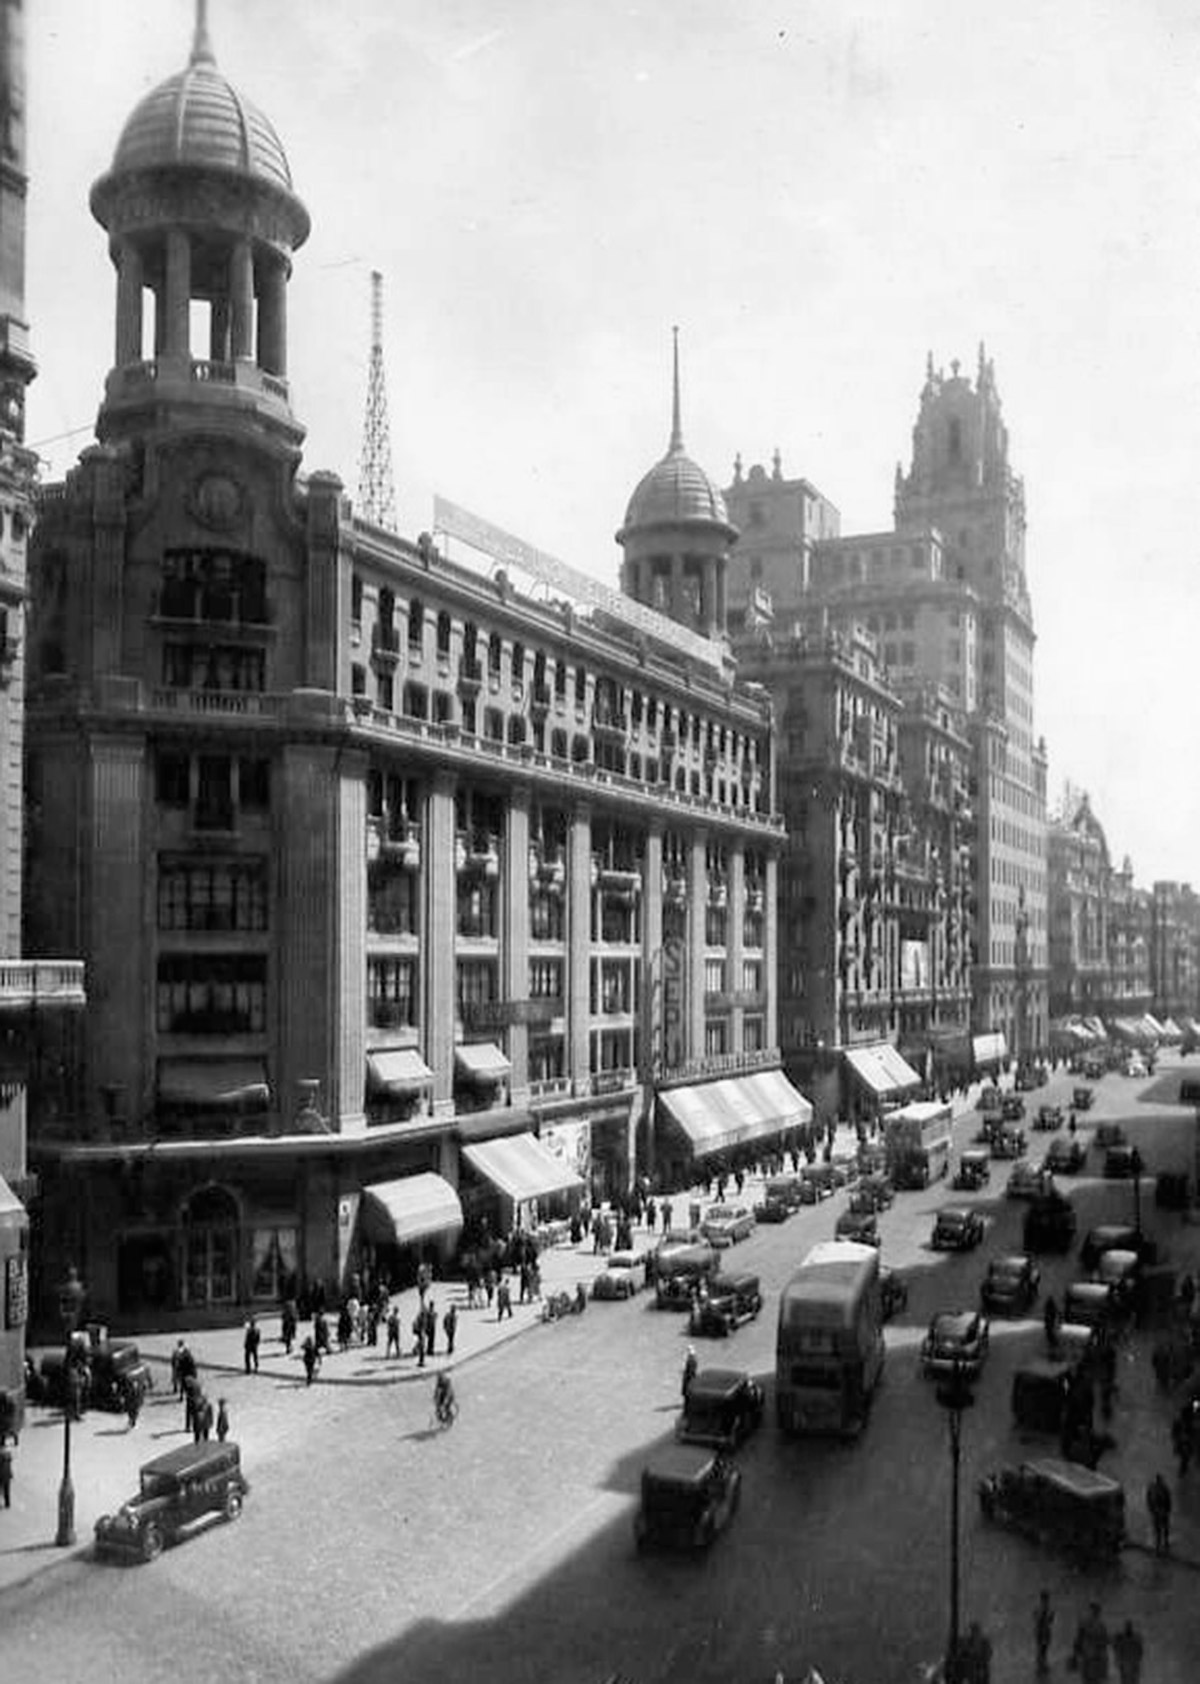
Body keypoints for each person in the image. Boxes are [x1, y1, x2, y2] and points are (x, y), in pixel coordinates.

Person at [1071, 1602, 1110, 1684]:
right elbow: (1105, 1643)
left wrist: (1074, 1655)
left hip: (1090, 1657)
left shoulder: (1088, 1623)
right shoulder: (1100, 1625)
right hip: (1093, 1658)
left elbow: (1078, 1639)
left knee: (1088, 1680)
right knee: (1092, 1680)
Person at [1111, 1619, 1143, 1684]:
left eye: (1128, 1627)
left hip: (1129, 1665)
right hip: (1128, 1665)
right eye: (1127, 1627)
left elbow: (1140, 1652)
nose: (1128, 1629)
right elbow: (1140, 1652)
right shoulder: (1125, 1640)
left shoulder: (1133, 1639)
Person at [1147, 1471, 1172, 1552]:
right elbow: (1168, 1500)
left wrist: (1151, 1509)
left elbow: (1148, 1499)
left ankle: (1162, 1544)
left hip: (1159, 1512)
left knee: (1161, 1529)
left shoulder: (1154, 1487)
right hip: (1159, 1512)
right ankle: (1161, 1545)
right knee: (1161, 1529)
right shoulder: (1162, 1488)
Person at [1034, 1589, 1054, 1676]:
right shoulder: (1043, 1608)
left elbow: (1034, 1616)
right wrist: (1050, 1616)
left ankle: (1041, 1665)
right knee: (1042, 1648)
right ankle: (1041, 1666)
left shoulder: (1040, 1607)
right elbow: (1044, 1620)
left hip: (1041, 1631)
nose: (1047, 1600)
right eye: (1047, 1598)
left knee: (1042, 1648)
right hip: (1043, 1631)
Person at [0, 1442, 12, 1508]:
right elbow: (9, 1465)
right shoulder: (8, 1455)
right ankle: (7, 1503)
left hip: (2, 1475)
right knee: (6, 1490)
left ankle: (6, 1503)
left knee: (3, 1489)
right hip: (7, 1475)